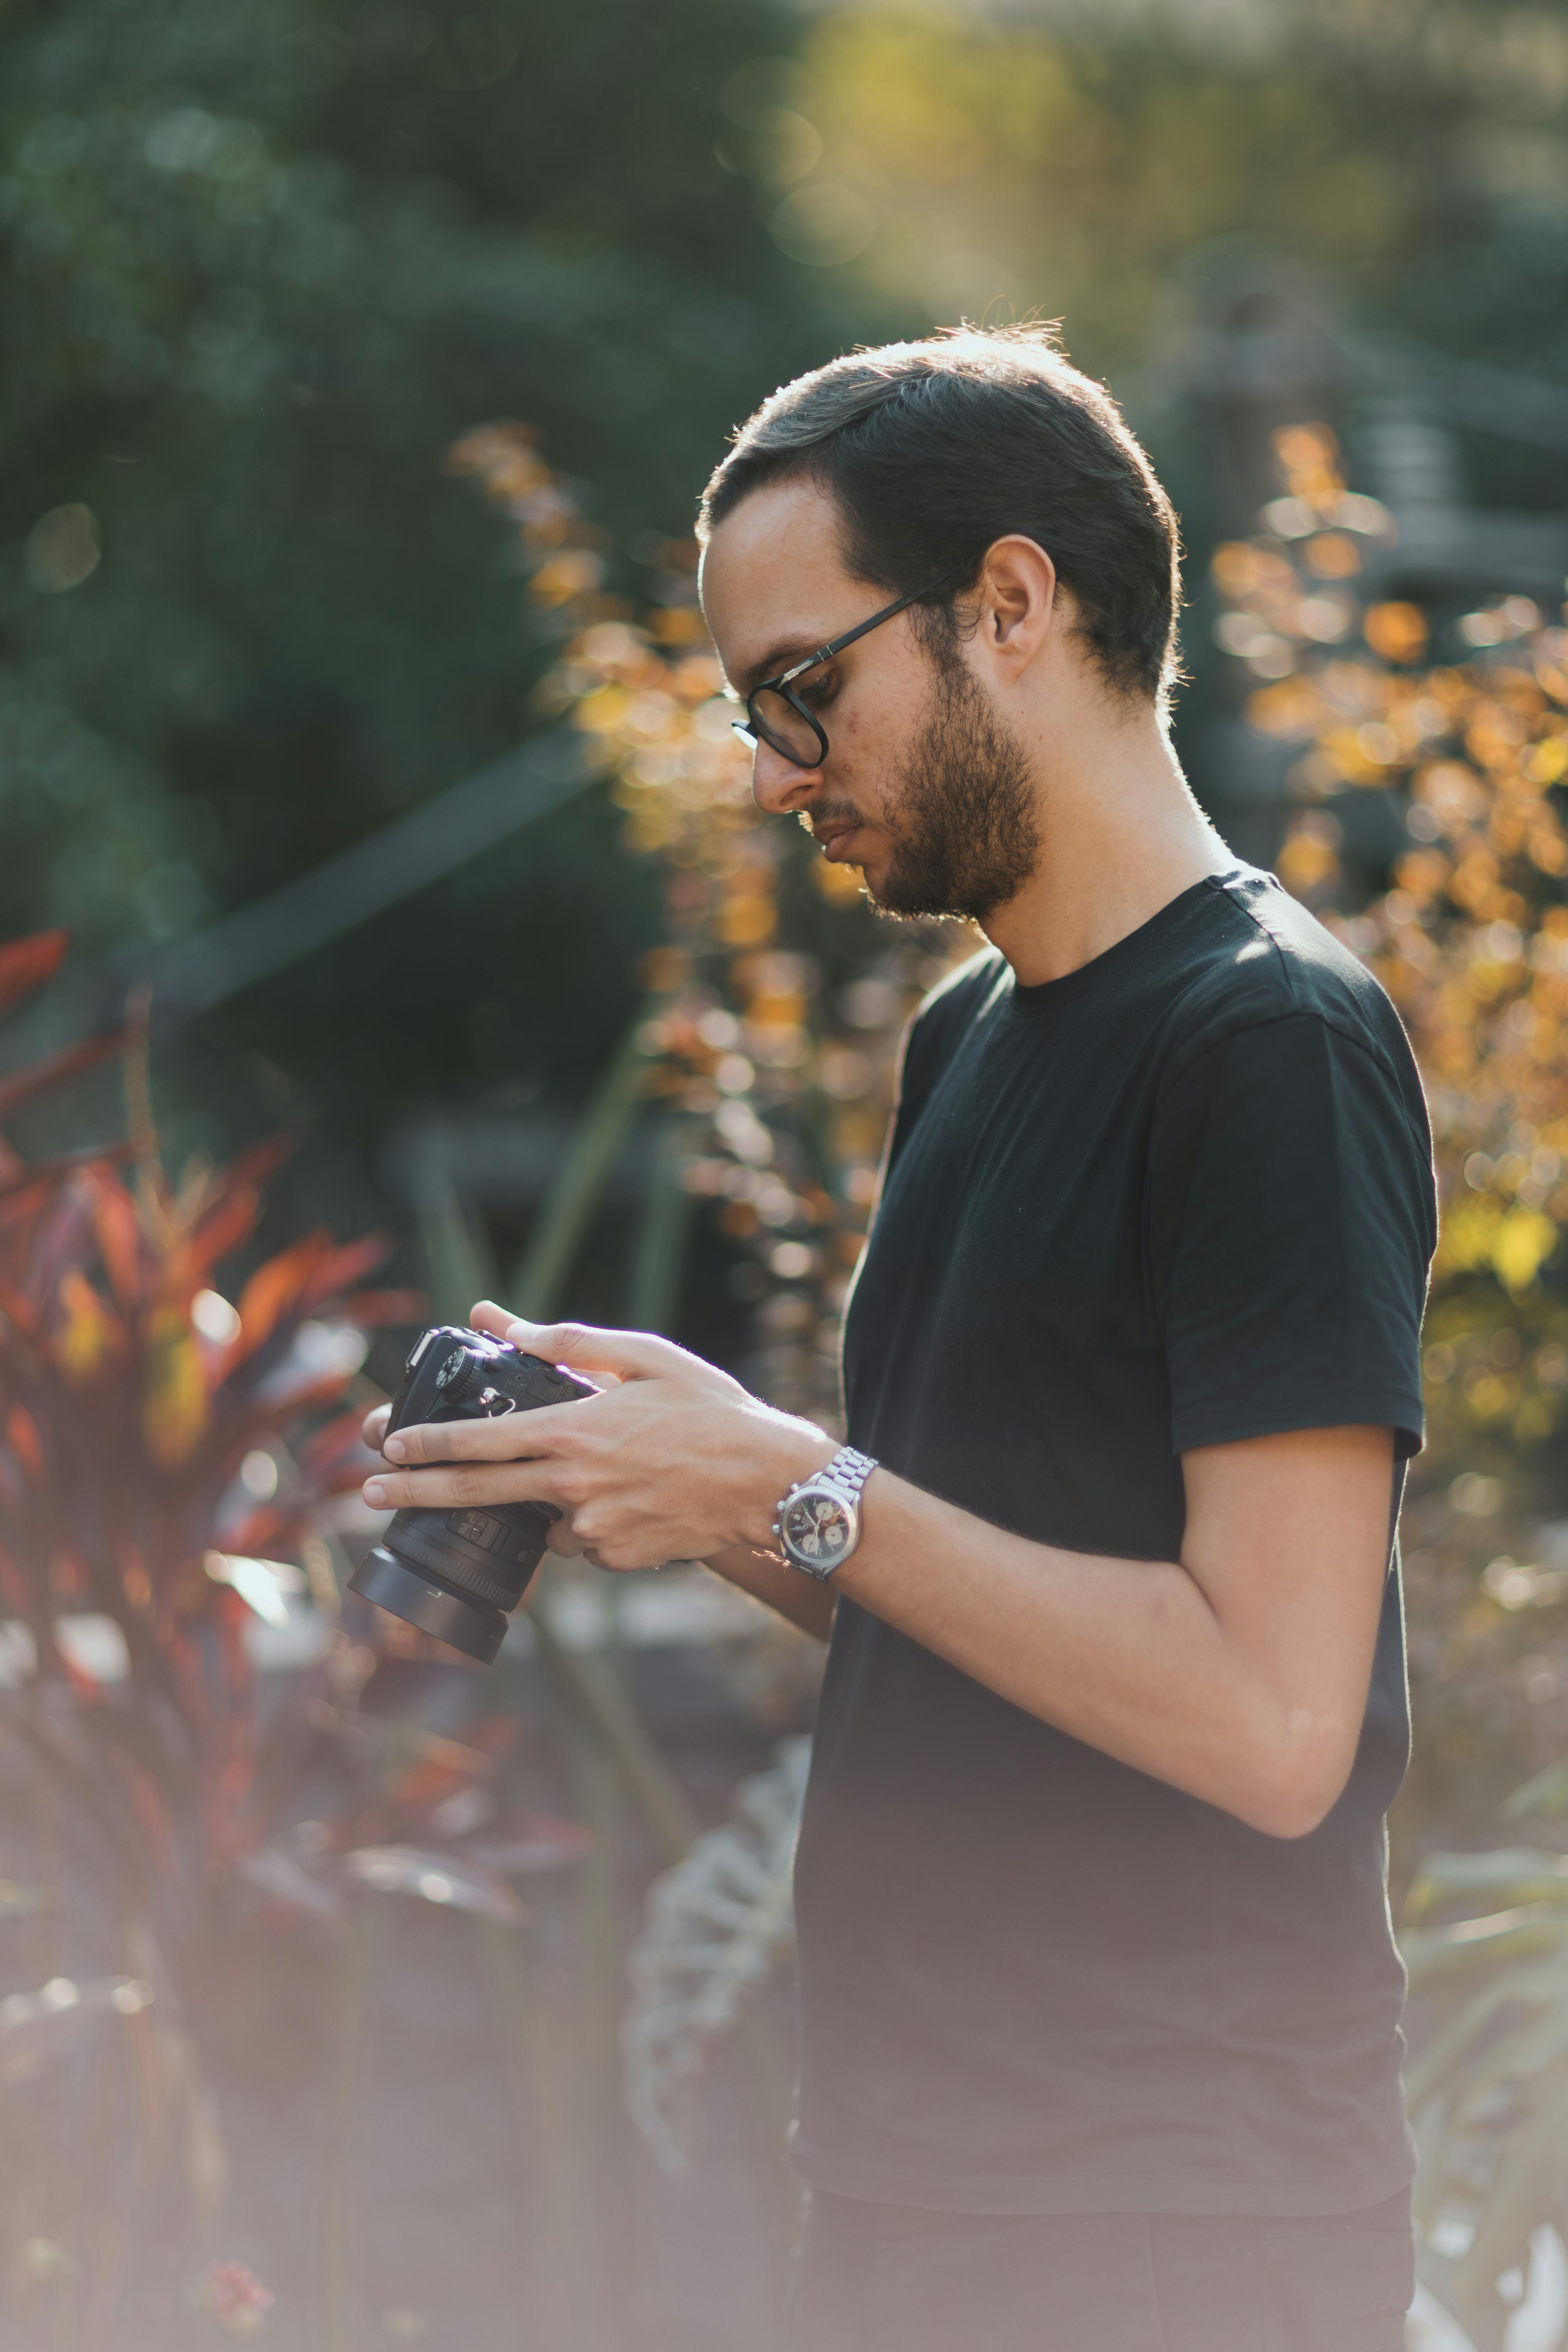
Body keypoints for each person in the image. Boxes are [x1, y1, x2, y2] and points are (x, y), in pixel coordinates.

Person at [361, 326, 1435, 2351]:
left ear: (1008, 604)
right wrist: (705, 1486)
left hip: (1165, 2228)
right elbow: (1007, 1620)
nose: (768, 774)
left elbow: (1272, 1727)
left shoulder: (1268, 1044)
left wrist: (800, 1482)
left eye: (801, 690)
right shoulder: (968, 1045)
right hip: (915, 2197)